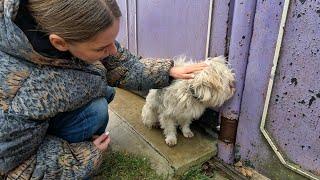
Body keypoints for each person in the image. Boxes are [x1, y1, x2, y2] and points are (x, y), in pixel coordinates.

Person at [0, 0, 208, 179]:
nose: (113, 51)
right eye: (101, 48)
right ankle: (77, 138)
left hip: (44, 115)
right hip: (24, 146)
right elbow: (17, 168)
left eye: (113, 41)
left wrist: (168, 71)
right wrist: (83, 156)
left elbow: (121, 64)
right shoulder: (16, 95)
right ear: (59, 43)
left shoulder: (75, 31)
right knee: (96, 111)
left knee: (107, 92)